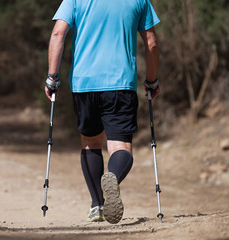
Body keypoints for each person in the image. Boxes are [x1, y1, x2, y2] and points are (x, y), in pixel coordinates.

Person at [44, 0, 160, 224]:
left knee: (90, 142)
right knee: (120, 147)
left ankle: (97, 205)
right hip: (121, 84)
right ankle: (113, 177)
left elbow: (58, 33)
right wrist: (152, 80)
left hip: (84, 83)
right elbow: (152, 43)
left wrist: (52, 78)